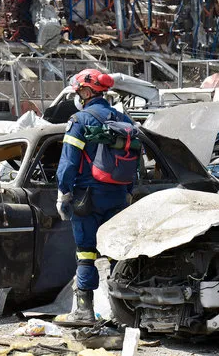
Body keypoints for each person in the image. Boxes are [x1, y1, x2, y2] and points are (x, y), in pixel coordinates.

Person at [54, 69, 134, 326]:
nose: (77, 96)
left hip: (87, 197)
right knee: (115, 254)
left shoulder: (80, 120)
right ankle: (121, 314)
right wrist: (128, 192)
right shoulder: (123, 119)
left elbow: (68, 162)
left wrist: (63, 193)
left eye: (78, 92)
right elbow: (134, 163)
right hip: (119, 196)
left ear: (88, 92)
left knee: (86, 252)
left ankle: (84, 311)